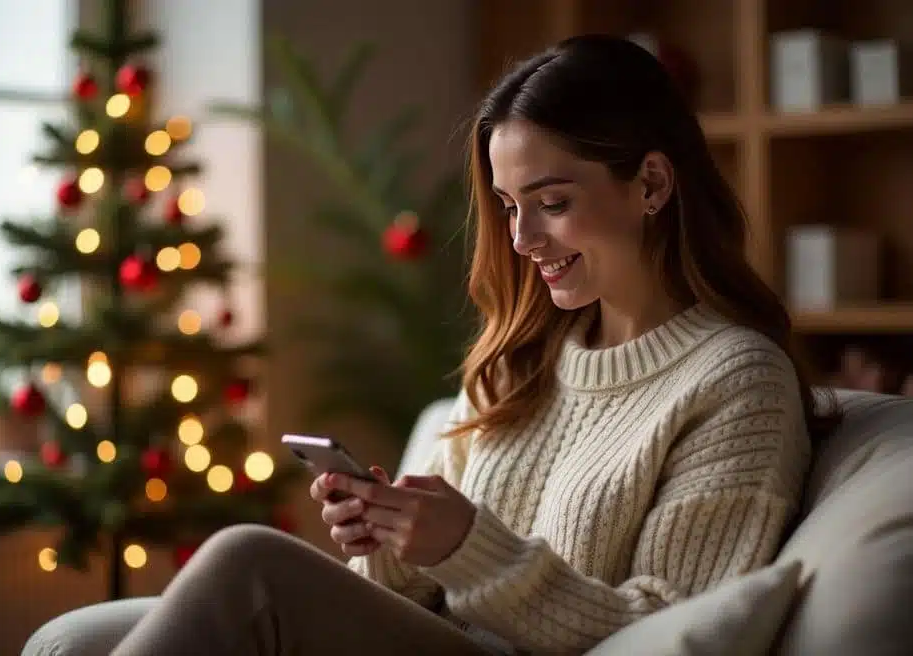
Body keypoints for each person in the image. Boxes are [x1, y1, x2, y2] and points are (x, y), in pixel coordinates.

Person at [111, 34, 832, 655]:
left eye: (552, 204)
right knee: (83, 638)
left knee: (249, 561)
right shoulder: (522, 357)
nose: (521, 240)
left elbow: (671, 625)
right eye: (510, 207)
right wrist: (390, 539)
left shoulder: (736, 380)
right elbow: (420, 590)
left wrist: (468, 549)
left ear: (650, 183)